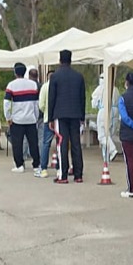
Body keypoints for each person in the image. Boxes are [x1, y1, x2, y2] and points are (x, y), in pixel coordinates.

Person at [48, 50, 86, 184]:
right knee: (76, 143)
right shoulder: (79, 76)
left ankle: (63, 175)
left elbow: (51, 98)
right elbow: (82, 98)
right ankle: (78, 174)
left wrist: (50, 118)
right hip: (76, 114)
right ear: (71, 60)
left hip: (60, 114)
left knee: (62, 143)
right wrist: (82, 116)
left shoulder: (55, 77)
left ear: (60, 60)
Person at [4, 63, 41, 175]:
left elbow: (6, 103)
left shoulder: (11, 85)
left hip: (17, 120)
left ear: (15, 73)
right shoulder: (33, 85)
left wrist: (8, 117)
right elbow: (36, 103)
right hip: (31, 119)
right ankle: (36, 165)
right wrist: (35, 116)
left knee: (17, 144)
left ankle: (19, 165)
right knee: (33, 143)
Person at [91, 73, 119, 162]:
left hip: (104, 110)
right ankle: (107, 156)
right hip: (115, 112)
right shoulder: (115, 89)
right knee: (110, 134)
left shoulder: (100, 88)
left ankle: (112, 150)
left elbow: (94, 103)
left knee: (102, 135)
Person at [38, 70, 55, 177]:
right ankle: (60, 167)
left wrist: (46, 112)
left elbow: (41, 105)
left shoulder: (44, 87)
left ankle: (43, 168)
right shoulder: (60, 86)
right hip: (59, 119)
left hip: (47, 118)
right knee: (61, 143)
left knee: (46, 143)